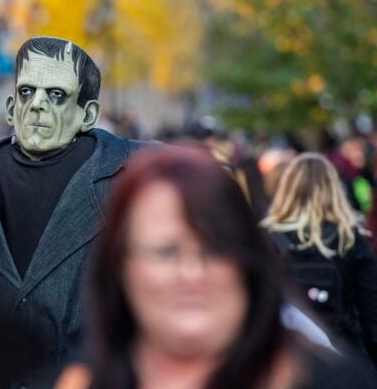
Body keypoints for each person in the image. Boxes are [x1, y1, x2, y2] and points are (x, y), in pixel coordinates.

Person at [0, 36, 148, 368]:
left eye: (56, 94)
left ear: (88, 113)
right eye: (27, 92)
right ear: (11, 107)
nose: (37, 104)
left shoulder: (140, 179)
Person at [76, 146, 375, 389]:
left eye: (216, 249)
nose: (192, 273)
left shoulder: (329, 378)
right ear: (120, 264)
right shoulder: (78, 379)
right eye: (165, 252)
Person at [262, 153, 377, 364]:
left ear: (286, 190)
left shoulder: (266, 238)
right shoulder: (350, 238)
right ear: (334, 189)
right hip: (344, 353)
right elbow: (371, 311)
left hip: (288, 356)